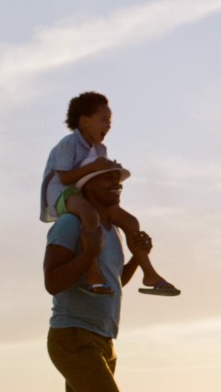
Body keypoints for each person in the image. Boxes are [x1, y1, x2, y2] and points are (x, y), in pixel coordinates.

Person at [43, 160, 153, 392]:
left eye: (120, 181)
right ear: (87, 186)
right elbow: (53, 281)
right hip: (72, 335)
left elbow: (111, 283)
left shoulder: (110, 231)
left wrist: (136, 260)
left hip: (102, 340)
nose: (117, 185)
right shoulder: (72, 224)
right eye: (109, 180)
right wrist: (88, 254)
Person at [40, 90, 179, 297]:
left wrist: (103, 169)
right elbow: (65, 178)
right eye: (104, 119)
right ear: (84, 121)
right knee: (89, 215)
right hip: (62, 193)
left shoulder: (100, 148)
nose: (108, 125)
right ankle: (93, 273)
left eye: (110, 121)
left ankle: (149, 273)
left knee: (130, 222)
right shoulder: (68, 143)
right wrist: (94, 167)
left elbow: (96, 176)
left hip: (83, 193)